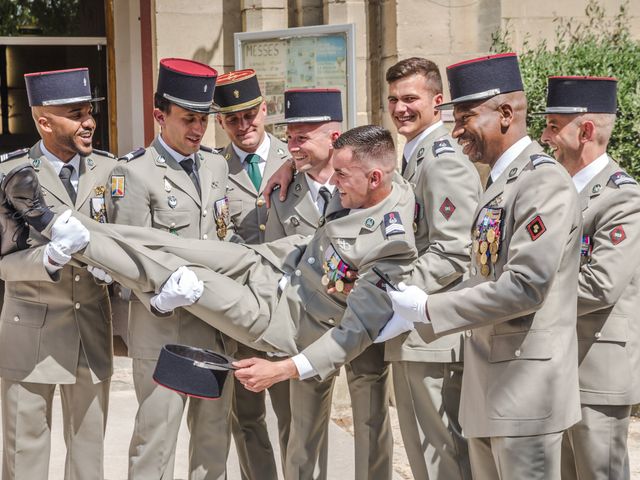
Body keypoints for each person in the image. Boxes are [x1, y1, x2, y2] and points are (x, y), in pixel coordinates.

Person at [1, 124, 415, 480]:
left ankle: (68, 234)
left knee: (185, 279)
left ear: (374, 177)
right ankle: (64, 225)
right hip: (274, 263)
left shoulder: (391, 245)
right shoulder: (395, 189)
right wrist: (290, 164)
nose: (334, 181)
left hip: (279, 317)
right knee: (172, 246)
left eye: (342, 175)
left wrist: (282, 369)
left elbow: (350, 335)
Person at [378, 53, 583, 479]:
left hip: (527, 389)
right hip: (490, 383)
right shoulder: (501, 181)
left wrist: (429, 309)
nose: (455, 130)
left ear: (506, 113)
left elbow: (525, 287)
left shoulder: (541, 181)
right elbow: (483, 272)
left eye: (466, 117)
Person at [104, 58, 234, 480]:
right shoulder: (134, 173)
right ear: (160, 116)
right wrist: (159, 297)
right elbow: (128, 255)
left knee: (213, 444)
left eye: (204, 120)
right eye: (189, 119)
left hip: (214, 326)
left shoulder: (215, 165)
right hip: (165, 329)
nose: (198, 129)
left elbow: (223, 236)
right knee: (155, 444)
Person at [0, 68, 116, 480]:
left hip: (91, 332)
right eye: (76, 114)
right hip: (30, 335)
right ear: (44, 122)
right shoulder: (10, 175)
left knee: (89, 457)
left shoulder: (108, 170)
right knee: (24, 455)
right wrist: (47, 259)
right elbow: (4, 262)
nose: (89, 122)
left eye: (90, 111)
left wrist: (114, 271)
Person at [383, 57, 481, 480]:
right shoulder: (414, 155)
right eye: (393, 99)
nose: (400, 108)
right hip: (416, 333)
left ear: (437, 102)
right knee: (425, 454)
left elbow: (454, 250)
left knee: (444, 456)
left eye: (410, 98)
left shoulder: (442, 160)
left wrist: (390, 291)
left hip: (435, 334)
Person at [539, 76, 640, 480]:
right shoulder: (559, 188)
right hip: (560, 365)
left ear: (584, 131)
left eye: (552, 125)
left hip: (596, 370)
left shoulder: (621, 195)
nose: (545, 137)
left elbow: (600, 285)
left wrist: (524, 297)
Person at [214, 68, 291, 480]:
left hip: (291, 308)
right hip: (240, 312)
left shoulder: (297, 156)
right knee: (246, 417)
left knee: (296, 415)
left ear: (265, 109)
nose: (243, 126)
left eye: (250, 115)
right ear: (221, 121)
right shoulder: (213, 169)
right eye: (232, 119)